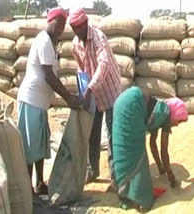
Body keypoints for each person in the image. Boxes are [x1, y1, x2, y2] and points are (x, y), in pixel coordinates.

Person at [17, 7, 81, 194]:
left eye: (63, 24)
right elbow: (49, 76)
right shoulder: (44, 40)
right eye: (58, 23)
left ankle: (39, 184)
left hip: (40, 104)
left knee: (39, 146)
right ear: (50, 21)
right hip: (31, 101)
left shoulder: (51, 44)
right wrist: (69, 98)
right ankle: (27, 189)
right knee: (30, 148)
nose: (61, 27)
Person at [112, 86, 188, 211]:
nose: (177, 125)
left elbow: (153, 144)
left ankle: (124, 193)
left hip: (122, 101)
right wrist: (170, 174)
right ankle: (141, 198)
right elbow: (164, 151)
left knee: (123, 150)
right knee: (137, 155)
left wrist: (161, 169)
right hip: (133, 104)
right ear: (175, 113)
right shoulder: (166, 114)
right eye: (179, 121)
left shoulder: (158, 110)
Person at [69, 9, 122, 184]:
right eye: (73, 28)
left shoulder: (98, 37)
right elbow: (80, 67)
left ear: (85, 23)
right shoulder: (75, 43)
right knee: (92, 132)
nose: (77, 31)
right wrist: (82, 89)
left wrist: (89, 89)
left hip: (110, 90)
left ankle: (115, 175)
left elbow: (104, 64)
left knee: (113, 133)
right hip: (92, 93)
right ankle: (92, 171)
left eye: (78, 27)